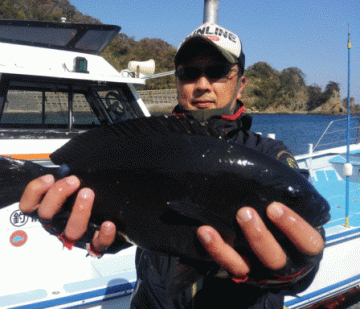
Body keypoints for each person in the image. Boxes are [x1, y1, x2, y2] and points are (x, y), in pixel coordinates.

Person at [19, 22, 325, 308]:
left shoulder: (270, 155)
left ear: (240, 84)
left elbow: (306, 253)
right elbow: (137, 223)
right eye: (189, 73)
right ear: (177, 80)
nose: (202, 85)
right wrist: (78, 226)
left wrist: (298, 268)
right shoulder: (148, 145)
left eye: (217, 72)